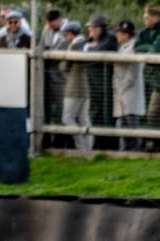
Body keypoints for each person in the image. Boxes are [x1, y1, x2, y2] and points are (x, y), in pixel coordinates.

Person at [84, 14, 117, 148]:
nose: (89, 31)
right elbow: (81, 47)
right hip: (94, 85)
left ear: (99, 28)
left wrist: (90, 48)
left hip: (105, 87)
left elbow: (98, 52)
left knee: (105, 116)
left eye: (91, 28)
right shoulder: (92, 40)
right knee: (95, 115)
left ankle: (108, 146)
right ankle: (98, 144)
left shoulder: (110, 38)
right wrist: (89, 47)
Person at [113, 20, 145, 150]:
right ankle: (125, 152)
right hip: (122, 92)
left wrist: (121, 89)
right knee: (123, 125)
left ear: (127, 35)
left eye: (120, 33)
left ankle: (135, 152)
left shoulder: (133, 47)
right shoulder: (122, 47)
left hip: (130, 93)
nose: (118, 35)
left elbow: (132, 74)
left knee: (131, 126)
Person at [60, 20, 92, 150]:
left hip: (74, 88)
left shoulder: (75, 45)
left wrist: (62, 60)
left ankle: (81, 148)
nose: (66, 37)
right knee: (84, 119)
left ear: (71, 34)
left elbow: (64, 66)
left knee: (67, 118)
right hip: (85, 87)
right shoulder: (86, 43)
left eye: (67, 34)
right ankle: (88, 148)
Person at [40, 9, 70, 144]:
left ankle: (61, 141)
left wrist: (49, 53)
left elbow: (62, 50)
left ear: (59, 20)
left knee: (61, 111)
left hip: (62, 79)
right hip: (47, 78)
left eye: (52, 23)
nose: (50, 26)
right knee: (46, 110)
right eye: (48, 24)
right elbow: (41, 46)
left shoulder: (69, 30)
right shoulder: (46, 29)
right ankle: (46, 139)